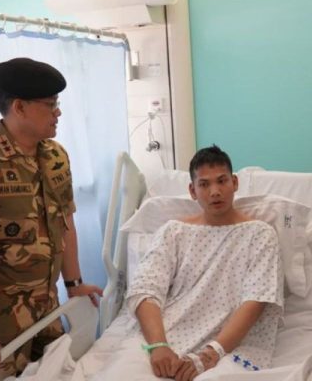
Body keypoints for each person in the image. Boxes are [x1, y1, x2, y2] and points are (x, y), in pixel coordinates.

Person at [0, 57, 103, 381]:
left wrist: (73, 286)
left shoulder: (56, 157)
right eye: (50, 104)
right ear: (19, 107)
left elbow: (65, 223)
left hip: (44, 309)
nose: (58, 112)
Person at [119, 145, 283, 381]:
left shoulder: (260, 234)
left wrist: (211, 353)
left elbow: (257, 299)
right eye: (204, 184)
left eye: (222, 181)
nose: (215, 192)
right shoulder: (174, 232)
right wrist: (158, 346)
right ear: (192, 190)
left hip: (229, 348)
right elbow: (145, 289)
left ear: (234, 182)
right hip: (165, 337)